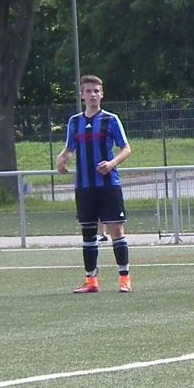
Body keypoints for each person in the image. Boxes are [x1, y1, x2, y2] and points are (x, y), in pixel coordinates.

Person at [56, 74, 133, 293]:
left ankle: (125, 278)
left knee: (116, 229)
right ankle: (91, 281)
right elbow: (70, 148)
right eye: (88, 91)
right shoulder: (75, 122)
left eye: (96, 91)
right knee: (88, 232)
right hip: (85, 186)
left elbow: (126, 148)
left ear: (102, 94)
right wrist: (62, 159)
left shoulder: (111, 119)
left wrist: (112, 163)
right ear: (82, 95)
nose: (93, 95)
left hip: (108, 184)